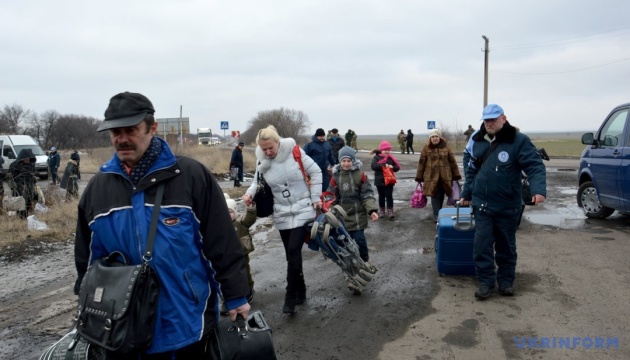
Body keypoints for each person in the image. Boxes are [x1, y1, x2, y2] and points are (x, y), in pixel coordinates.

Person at [74, 91, 250, 359]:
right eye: (115, 132)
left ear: (152, 128)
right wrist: (87, 306)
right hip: (123, 328)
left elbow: (221, 241)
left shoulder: (191, 176)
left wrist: (236, 294)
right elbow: (87, 260)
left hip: (185, 320)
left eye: (131, 130)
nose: (122, 139)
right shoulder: (97, 189)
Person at [460, 104, 546, 300]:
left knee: (506, 246)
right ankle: (485, 282)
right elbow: (471, 170)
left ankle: (506, 282)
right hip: (482, 205)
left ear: (503, 118)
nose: (489, 123)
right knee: (481, 246)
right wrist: (466, 194)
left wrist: (538, 190)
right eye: (486, 119)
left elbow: (534, 165)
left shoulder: (518, 140)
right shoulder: (476, 140)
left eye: (493, 119)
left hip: (508, 205)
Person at [243, 125, 322, 315]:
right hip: (281, 212)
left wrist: (315, 198)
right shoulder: (262, 161)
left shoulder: (295, 152)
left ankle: (290, 296)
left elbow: (316, 172)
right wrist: (248, 194)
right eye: (264, 149)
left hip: (303, 209)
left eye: (271, 147)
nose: (268, 152)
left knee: (294, 250)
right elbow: (256, 181)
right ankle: (301, 290)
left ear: (278, 143)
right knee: (290, 255)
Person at [328, 146, 379, 274]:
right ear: (340, 161)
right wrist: (330, 211)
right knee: (345, 243)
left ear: (353, 161)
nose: (346, 163)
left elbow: (367, 194)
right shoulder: (335, 177)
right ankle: (350, 266)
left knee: (360, 240)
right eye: (343, 161)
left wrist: (372, 210)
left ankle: (365, 261)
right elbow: (331, 197)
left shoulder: (360, 175)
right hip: (342, 216)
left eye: (349, 161)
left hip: (358, 214)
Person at [415, 128, 461, 222]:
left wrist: (456, 175)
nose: (435, 138)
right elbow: (421, 163)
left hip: (445, 176)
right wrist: (419, 176)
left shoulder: (446, 147)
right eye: (432, 137)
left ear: (439, 137)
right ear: (430, 138)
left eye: (436, 136)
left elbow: (453, 162)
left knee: (442, 194)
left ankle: (439, 212)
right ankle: (436, 215)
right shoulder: (426, 148)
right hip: (431, 177)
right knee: (435, 195)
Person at [225, 194, 256, 302]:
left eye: (231, 212)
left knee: (244, 272)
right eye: (226, 212)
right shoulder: (222, 225)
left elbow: (250, 218)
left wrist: (250, 207)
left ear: (235, 212)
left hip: (242, 253)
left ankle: (249, 290)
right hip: (228, 255)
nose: (228, 215)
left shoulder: (241, 221)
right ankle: (232, 295)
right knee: (229, 275)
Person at [370, 141, 400, 219]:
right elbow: (373, 166)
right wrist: (384, 165)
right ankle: (382, 210)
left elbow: (397, 167)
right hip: (379, 181)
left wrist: (392, 167)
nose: (386, 151)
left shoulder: (391, 158)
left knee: (389, 196)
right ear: (381, 150)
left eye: (388, 149)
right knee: (381, 196)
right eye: (385, 150)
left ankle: (390, 210)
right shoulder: (376, 157)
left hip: (389, 181)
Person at [303, 128, 335, 192]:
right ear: (316, 136)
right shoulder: (310, 145)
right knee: (315, 185)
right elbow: (304, 157)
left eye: (323, 136)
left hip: (325, 169)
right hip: (314, 170)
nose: (322, 138)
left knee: (326, 185)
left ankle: (325, 197)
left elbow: (330, 156)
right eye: (320, 136)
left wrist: (334, 164)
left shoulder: (327, 144)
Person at [9, 149, 36, 219]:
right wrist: (13, 186)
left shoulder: (30, 165)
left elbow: (32, 174)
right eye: (26, 159)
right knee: (20, 201)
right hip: (18, 186)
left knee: (29, 200)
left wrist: (33, 180)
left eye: (29, 159)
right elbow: (10, 178)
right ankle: (21, 216)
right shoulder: (14, 165)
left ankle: (25, 215)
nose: (28, 160)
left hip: (29, 186)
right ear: (22, 158)